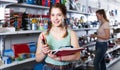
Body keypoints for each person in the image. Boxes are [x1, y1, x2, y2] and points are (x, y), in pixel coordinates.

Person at [35, 3, 80, 70]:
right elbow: (37, 59)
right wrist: (43, 53)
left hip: (68, 68)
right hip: (49, 68)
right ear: (50, 16)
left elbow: (77, 56)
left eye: (59, 15)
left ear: (64, 16)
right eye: (53, 15)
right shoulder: (43, 35)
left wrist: (59, 58)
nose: (55, 18)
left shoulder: (72, 34)